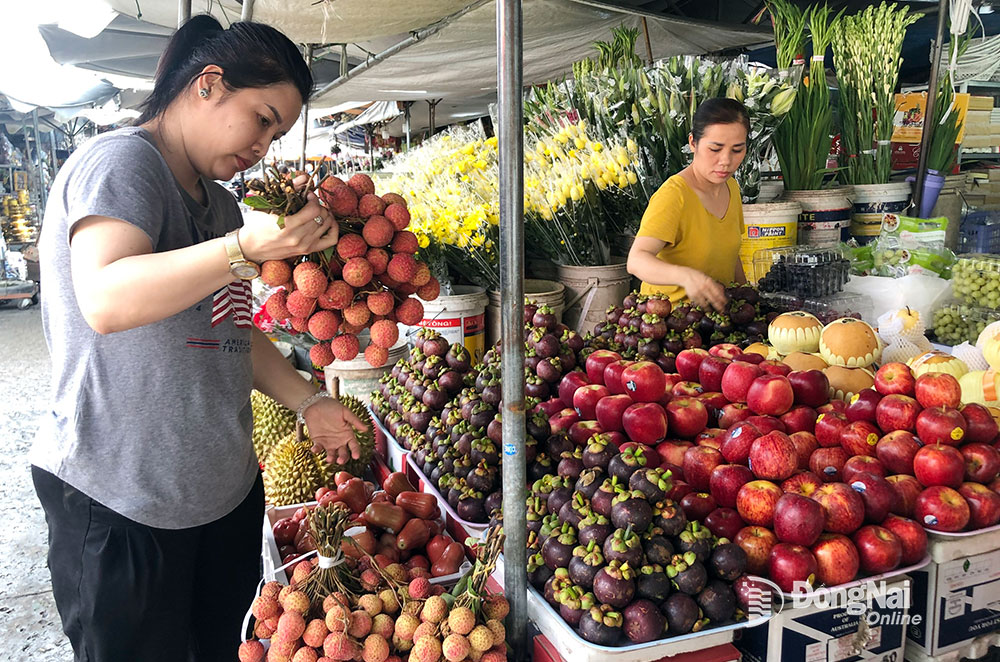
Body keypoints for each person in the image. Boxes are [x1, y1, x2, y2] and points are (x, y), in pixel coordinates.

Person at [30, 16, 366, 662]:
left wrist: (307, 400)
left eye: (278, 133)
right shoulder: (124, 163)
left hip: (223, 500)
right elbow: (105, 297)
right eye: (263, 118)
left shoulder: (222, 206)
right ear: (208, 84)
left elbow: (232, 331)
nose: (264, 146)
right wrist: (241, 249)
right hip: (125, 504)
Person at [626, 98, 749, 312]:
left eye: (737, 150)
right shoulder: (675, 195)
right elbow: (636, 260)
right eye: (715, 149)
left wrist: (746, 298)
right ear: (693, 143)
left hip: (716, 323)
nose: (726, 160)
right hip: (669, 327)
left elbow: (731, 257)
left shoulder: (732, 188)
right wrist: (686, 276)